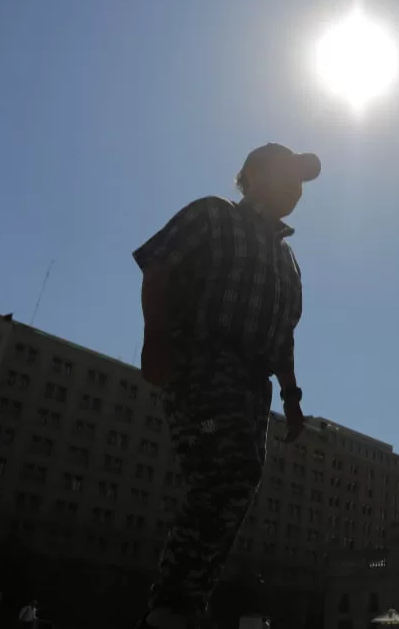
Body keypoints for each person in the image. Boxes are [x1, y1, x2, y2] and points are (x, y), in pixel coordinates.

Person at [133, 143, 321, 629]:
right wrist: (155, 341)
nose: (295, 189)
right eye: (286, 175)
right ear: (252, 175)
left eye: (301, 183)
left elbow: (284, 336)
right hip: (203, 358)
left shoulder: (288, 262)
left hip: (252, 382)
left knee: (236, 482)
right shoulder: (213, 216)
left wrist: (292, 397)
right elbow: (158, 269)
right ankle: (172, 607)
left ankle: (183, 602)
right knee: (227, 470)